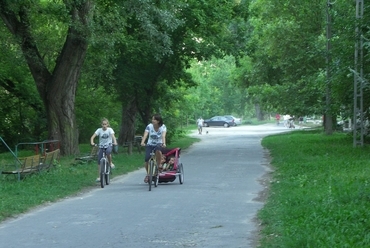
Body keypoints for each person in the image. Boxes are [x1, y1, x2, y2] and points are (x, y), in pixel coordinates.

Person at [140, 113, 167, 183]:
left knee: (158, 149)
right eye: (152, 119)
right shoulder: (149, 126)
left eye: (154, 119)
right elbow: (145, 134)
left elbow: (163, 136)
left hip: (159, 144)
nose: (152, 120)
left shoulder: (163, 127)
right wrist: (142, 142)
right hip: (150, 144)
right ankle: (148, 174)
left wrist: (164, 143)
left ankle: (159, 164)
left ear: (158, 121)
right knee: (146, 159)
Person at [90, 118, 117, 182]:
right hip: (101, 146)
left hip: (109, 145)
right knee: (99, 161)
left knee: (108, 152)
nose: (104, 125)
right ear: (101, 125)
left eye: (105, 124)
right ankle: (99, 177)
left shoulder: (110, 130)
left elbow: (113, 136)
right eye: (103, 124)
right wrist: (92, 142)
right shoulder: (99, 130)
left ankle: (110, 163)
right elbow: (92, 137)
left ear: (107, 124)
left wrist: (115, 142)